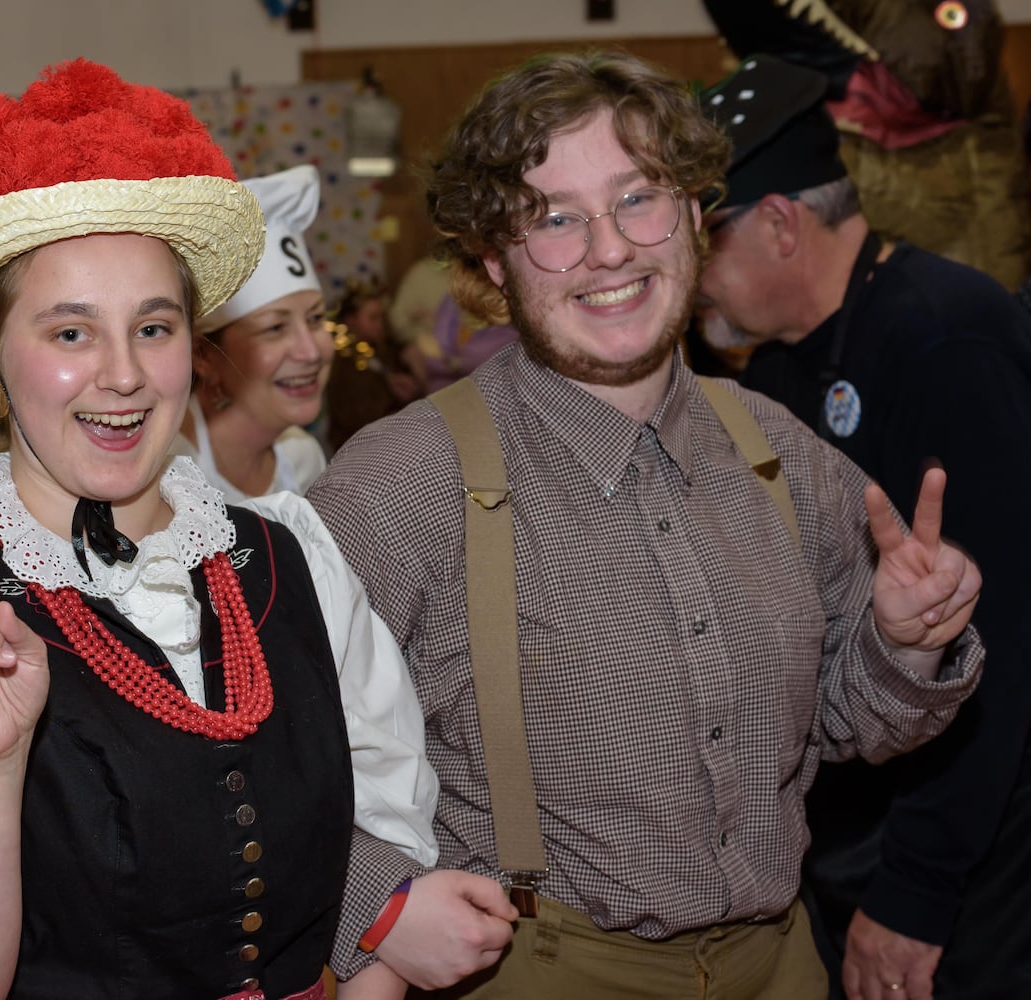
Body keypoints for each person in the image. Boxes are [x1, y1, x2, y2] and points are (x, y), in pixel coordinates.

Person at [306, 50, 986, 999]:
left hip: (783, 962)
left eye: (639, 200)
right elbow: (252, 755)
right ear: (492, 263)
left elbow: (837, 723)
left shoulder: (778, 450)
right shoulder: (398, 484)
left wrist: (903, 648)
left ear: (695, 220)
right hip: (532, 972)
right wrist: (375, 899)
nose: (611, 249)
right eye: (554, 219)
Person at [0, 59, 437, 1000]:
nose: (123, 375)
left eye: (153, 328)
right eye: (70, 333)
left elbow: (381, 849)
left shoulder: (295, 562)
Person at [697, 55, 1031, 1000]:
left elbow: (1001, 645)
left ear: (779, 225)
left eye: (703, 245)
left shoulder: (945, 334)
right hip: (847, 839)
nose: (688, 283)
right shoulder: (772, 373)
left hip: (965, 857)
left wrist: (917, 897)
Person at [174, 164, 332, 501]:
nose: (311, 351)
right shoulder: (166, 472)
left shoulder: (303, 458)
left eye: (316, 319)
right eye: (275, 328)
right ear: (203, 356)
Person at [325, 279, 422, 452]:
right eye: (372, 318)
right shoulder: (340, 362)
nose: (379, 325)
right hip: (355, 448)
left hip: (392, 439)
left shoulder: (389, 350)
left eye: (382, 317)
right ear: (351, 320)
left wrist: (412, 390)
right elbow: (353, 417)